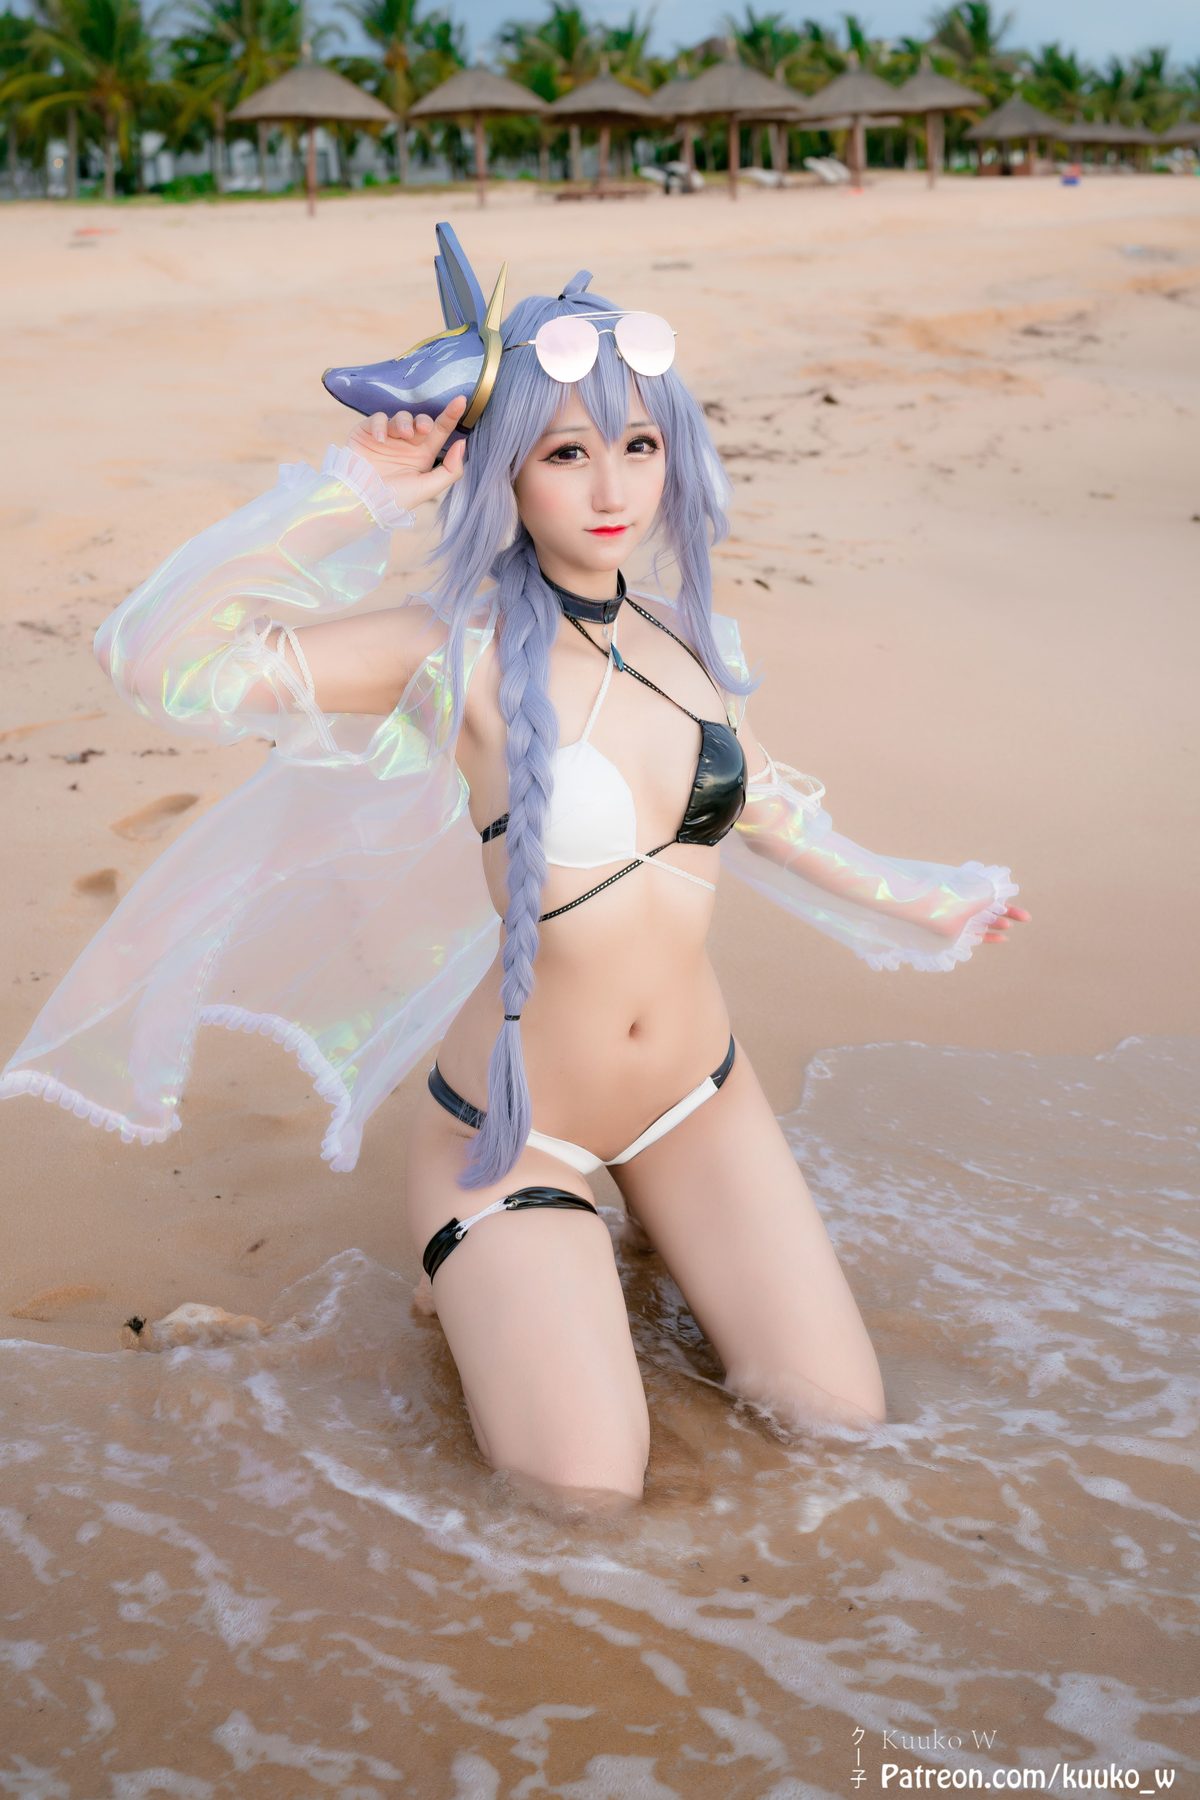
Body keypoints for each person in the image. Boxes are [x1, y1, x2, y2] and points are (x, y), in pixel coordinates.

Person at [1, 223, 1028, 1514]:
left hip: (700, 1097)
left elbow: (770, 809)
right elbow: (159, 658)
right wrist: (363, 490)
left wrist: (926, 897)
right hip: (514, 1129)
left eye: (638, 446)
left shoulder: (687, 640)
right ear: (507, 473)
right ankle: (495, 1264)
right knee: (582, 1496)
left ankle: (616, 1248)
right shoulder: (453, 649)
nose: (611, 488)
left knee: (838, 1425)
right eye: (565, 453)